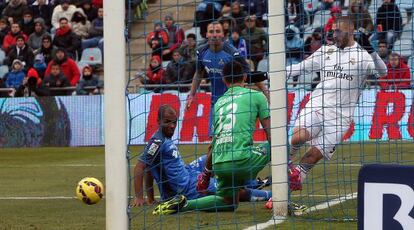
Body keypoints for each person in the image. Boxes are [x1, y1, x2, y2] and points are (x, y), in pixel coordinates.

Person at [153, 61, 271, 214]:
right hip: (242, 161)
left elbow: (213, 145)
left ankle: (184, 205)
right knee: (282, 141)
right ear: (244, 77)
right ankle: (284, 193)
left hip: (220, 164)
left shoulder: (219, 102)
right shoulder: (256, 96)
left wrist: (206, 175)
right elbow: (271, 133)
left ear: (223, 80)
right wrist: (287, 165)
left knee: (229, 203)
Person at [286, 16, 387, 191]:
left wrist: (371, 50)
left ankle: (284, 191)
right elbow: (300, 68)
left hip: (340, 119)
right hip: (318, 104)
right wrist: (268, 75)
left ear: (350, 31)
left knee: (312, 157)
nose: (333, 34)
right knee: (298, 136)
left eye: (337, 31)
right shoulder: (326, 51)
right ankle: (286, 162)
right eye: (332, 31)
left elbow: (382, 72)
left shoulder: (363, 56)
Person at [132, 104, 270, 208]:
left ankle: (253, 182)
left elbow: (150, 167)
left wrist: (150, 198)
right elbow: (141, 166)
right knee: (227, 191)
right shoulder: (157, 141)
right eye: (167, 121)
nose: (172, 126)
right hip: (186, 189)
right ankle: (268, 195)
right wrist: (140, 197)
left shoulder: (164, 138)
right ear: (158, 121)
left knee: (213, 157)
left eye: (174, 122)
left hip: (188, 172)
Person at [186, 21, 268, 135]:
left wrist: (266, 93)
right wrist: (192, 95)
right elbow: (199, 73)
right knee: (214, 139)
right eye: (211, 31)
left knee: (234, 139)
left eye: (218, 31)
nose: (214, 35)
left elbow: (250, 75)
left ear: (223, 34)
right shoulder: (201, 52)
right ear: (206, 34)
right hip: (216, 102)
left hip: (235, 102)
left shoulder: (233, 53)